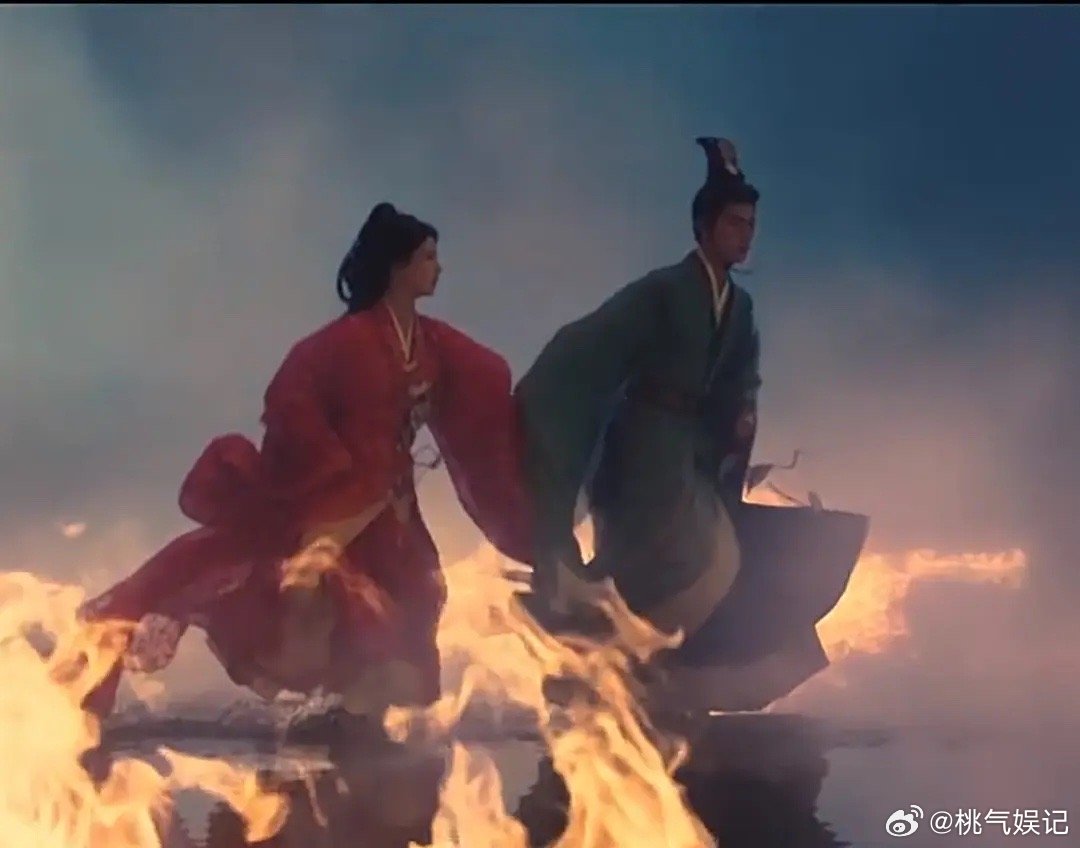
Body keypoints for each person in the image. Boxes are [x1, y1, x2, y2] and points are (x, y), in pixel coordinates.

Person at [78, 202, 531, 721]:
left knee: (415, 601)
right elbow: (290, 399)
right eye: (427, 257)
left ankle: (359, 718)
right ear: (397, 266)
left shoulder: (431, 344)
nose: (438, 268)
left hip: (392, 510)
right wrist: (333, 475)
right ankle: (347, 712)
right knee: (328, 601)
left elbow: (480, 376)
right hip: (339, 506)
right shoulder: (340, 345)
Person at [514, 138, 869, 711]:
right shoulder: (662, 291)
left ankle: (628, 667)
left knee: (718, 565)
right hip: (642, 446)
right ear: (704, 226)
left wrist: (742, 410)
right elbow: (586, 346)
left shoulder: (739, 307)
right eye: (734, 222)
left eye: (751, 224)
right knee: (692, 559)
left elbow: (740, 376)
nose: (745, 235)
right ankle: (603, 662)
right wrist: (549, 401)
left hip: (691, 451)